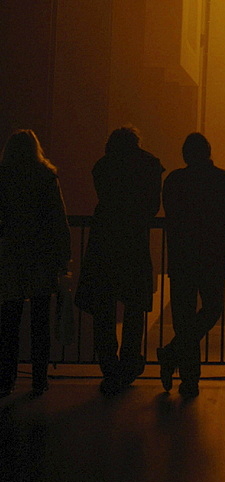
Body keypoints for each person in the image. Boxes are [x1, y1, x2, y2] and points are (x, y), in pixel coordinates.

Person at [75, 126, 163, 395]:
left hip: (105, 239)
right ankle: (130, 360)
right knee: (135, 305)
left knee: (104, 306)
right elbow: (152, 206)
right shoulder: (150, 164)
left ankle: (108, 364)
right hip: (134, 240)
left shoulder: (103, 166)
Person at [157, 133, 225, 398]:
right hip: (213, 256)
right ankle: (175, 360)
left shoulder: (174, 181)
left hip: (183, 256)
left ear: (186, 155)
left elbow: (171, 213)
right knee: (212, 308)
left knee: (183, 317)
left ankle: (187, 375)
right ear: (208, 152)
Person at [0, 130, 71, 397]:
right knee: (41, 321)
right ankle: (39, 379)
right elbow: (58, 218)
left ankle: (6, 378)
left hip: (12, 254)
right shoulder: (46, 177)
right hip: (41, 255)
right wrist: (64, 255)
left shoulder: (4, 176)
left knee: (9, 320)